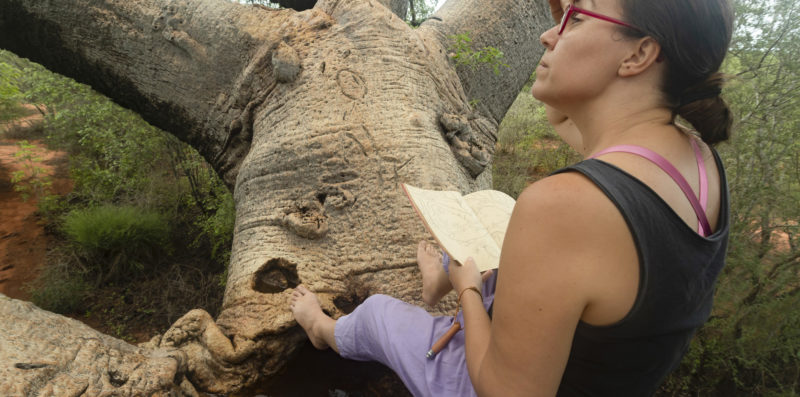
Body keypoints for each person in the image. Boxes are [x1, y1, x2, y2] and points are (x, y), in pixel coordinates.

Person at [290, 0, 734, 395]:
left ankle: (323, 328)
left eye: (576, 18)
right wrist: (576, 31)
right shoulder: (695, 159)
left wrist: (465, 292)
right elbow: (562, 115)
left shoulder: (568, 204)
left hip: (499, 381)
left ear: (639, 54)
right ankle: (442, 279)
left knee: (378, 316)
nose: (548, 33)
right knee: (495, 255)